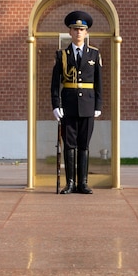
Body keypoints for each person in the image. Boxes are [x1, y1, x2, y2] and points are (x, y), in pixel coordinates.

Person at [51, 10, 102, 194]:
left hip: (88, 105)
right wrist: (56, 105)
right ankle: (70, 183)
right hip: (69, 105)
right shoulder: (62, 55)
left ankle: (83, 183)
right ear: (70, 32)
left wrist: (98, 105)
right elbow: (55, 84)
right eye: (75, 29)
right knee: (69, 144)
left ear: (86, 33)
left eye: (82, 29)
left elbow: (99, 83)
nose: (78, 32)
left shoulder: (94, 55)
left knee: (84, 145)